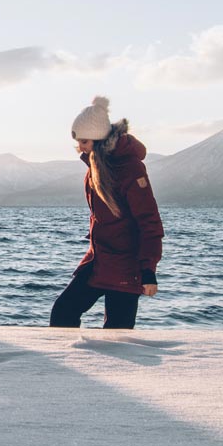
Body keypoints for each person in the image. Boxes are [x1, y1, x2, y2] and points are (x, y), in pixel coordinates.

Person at [50, 96, 164, 329]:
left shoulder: (129, 168)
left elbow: (149, 221)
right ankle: (69, 361)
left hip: (126, 265)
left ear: (100, 140)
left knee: (117, 337)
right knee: (63, 313)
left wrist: (148, 270)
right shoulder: (96, 164)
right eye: (77, 141)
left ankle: (109, 367)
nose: (79, 147)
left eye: (84, 141)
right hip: (99, 260)